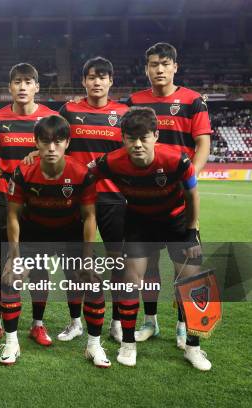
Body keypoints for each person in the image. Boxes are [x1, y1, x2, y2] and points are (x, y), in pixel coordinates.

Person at [90, 107, 210, 370]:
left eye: (144, 137)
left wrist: (191, 232)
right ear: (123, 138)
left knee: (192, 282)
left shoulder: (178, 161)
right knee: (131, 280)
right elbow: (82, 174)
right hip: (140, 223)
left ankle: (193, 348)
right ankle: (128, 345)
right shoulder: (110, 162)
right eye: (131, 138)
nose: (138, 144)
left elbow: (192, 196)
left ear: (156, 135)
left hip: (177, 221)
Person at [126, 43, 211, 347]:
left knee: (186, 270)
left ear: (175, 66)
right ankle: (150, 322)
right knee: (148, 267)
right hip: (144, 201)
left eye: (164, 64)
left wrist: (188, 176)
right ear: (146, 69)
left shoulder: (193, 101)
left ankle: (182, 326)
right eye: (152, 64)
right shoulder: (134, 101)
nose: (158, 69)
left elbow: (202, 144)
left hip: (179, 202)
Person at [2, 115, 103, 366]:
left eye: (57, 141)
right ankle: (12, 342)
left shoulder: (82, 173)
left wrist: (88, 257)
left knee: (90, 280)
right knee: (12, 277)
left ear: (67, 142)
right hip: (34, 231)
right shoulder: (22, 171)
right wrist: (14, 256)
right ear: (36, 142)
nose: (51, 148)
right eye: (45, 141)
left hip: (69, 232)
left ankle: (93, 345)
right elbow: (13, 215)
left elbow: (90, 216)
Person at [56, 57, 129, 343]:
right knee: (74, 261)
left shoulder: (124, 113)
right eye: (91, 77)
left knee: (118, 262)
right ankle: (75, 321)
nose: (97, 81)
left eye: (102, 77)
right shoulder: (70, 110)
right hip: (75, 197)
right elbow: (55, 140)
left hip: (113, 197)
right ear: (84, 81)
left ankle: (117, 321)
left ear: (111, 81)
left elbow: (131, 153)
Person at [0, 63, 58, 346]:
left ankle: (37, 324)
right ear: (10, 87)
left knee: (39, 263)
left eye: (28, 82)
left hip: (41, 199)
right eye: (17, 82)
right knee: (1, 261)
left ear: (37, 87)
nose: (23, 86)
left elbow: (62, 153)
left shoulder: (52, 118)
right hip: (6, 195)